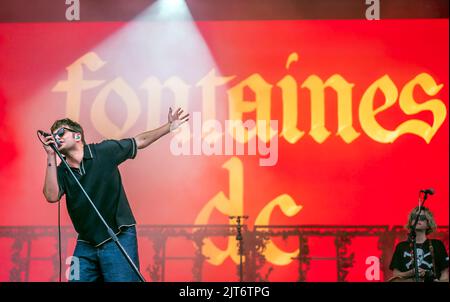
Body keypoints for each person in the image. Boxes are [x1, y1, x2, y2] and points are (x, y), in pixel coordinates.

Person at [39, 108, 189, 282]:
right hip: (86, 242)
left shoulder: (104, 151)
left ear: (78, 136)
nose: (56, 137)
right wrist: (50, 156)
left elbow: (139, 141)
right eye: (53, 135)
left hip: (118, 235)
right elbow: (51, 196)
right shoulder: (62, 171)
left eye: (61, 132)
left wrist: (169, 126)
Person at [389, 206, 449, 282]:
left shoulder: (437, 245)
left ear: (428, 224)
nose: (418, 219)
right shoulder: (401, 246)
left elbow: (445, 275)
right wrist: (411, 272)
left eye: (422, 217)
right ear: (411, 222)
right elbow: (395, 275)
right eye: (415, 217)